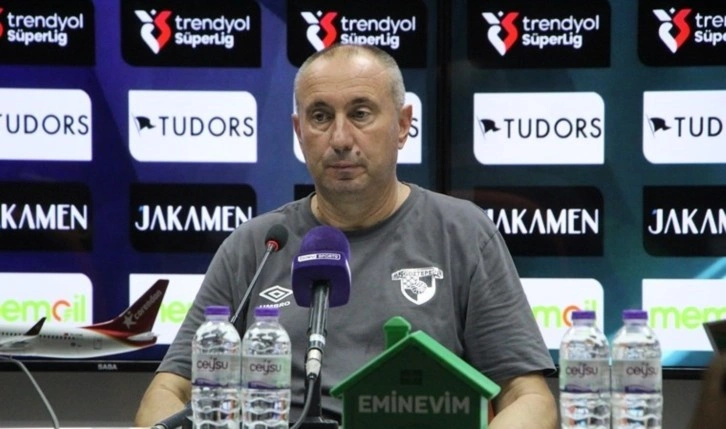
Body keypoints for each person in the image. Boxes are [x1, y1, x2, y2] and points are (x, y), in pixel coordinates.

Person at [134, 43, 557, 428]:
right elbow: (169, 391)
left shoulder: (461, 233)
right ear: (299, 132)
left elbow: (530, 399)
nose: (339, 139)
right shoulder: (257, 245)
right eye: (320, 117)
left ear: (403, 125)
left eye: (360, 113)